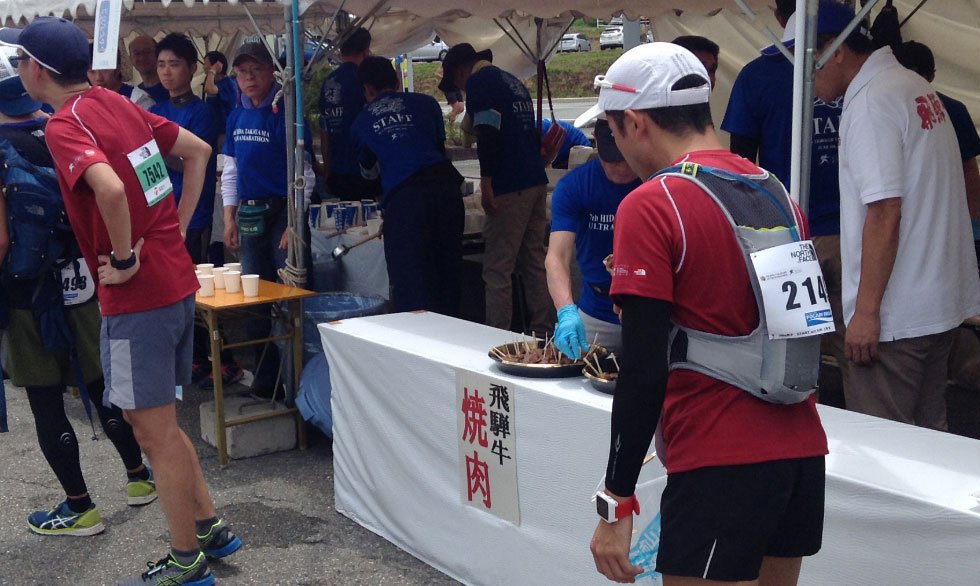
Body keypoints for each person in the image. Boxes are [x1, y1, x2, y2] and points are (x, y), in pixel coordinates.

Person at [3, 17, 241, 585]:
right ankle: (208, 526)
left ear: (38, 69)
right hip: (174, 281)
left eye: (20, 62)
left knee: (150, 429)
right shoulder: (115, 101)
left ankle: (187, 561)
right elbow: (199, 151)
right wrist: (173, 230)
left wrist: (127, 256)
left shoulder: (67, 124)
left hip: (137, 297)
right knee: (162, 420)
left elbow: (108, 187)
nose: (18, 71)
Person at [585, 42, 828, 586]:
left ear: (636, 122)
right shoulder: (778, 195)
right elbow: (804, 329)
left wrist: (615, 500)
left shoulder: (651, 204)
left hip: (719, 455)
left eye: (614, 132)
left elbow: (643, 368)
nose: (618, 149)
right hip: (802, 454)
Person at [0, 56, 157, 537]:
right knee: (97, 382)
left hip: (27, 290)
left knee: (45, 398)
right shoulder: (59, 130)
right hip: (83, 276)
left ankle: (79, 507)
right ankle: (137, 478)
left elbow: (2, 241)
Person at [812, 4, 980, 430]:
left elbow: (885, 210)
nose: (807, 79)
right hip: (936, 304)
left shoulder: (871, 102)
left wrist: (865, 312)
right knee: (929, 439)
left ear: (835, 50)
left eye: (809, 61)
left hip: (896, 319)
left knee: (885, 451)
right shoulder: (913, 87)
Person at [721, 0, 848, 389]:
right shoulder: (853, 70)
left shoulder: (756, 77)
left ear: (779, 18)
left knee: (794, 354)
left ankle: (805, 422)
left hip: (794, 233)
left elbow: (741, 164)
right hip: (832, 233)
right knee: (852, 351)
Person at [221, 42, 314, 397]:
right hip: (249, 213)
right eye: (242, 72)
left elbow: (305, 174)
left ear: (271, 73)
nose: (249, 78)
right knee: (254, 297)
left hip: (283, 214)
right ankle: (264, 380)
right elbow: (230, 171)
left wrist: (295, 223)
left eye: (256, 70)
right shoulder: (236, 115)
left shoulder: (286, 113)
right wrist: (229, 218)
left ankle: (296, 382)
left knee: (289, 297)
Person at [440, 43, 553, 334]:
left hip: (509, 182)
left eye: (457, 83)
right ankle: (544, 332)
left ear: (462, 70)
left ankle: (497, 337)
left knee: (497, 269)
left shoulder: (480, 82)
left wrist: (487, 182)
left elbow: (488, 132)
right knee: (534, 263)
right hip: (535, 181)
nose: (462, 90)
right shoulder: (511, 80)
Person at [150, 33, 241, 389]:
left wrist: (167, 157)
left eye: (174, 64)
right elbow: (158, 163)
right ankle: (192, 358)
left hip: (198, 215)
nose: (167, 72)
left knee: (201, 292)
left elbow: (192, 161)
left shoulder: (203, 112)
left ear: (191, 69)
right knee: (174, 292)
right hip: (162, 215)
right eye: (161, 65)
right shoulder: (156, 112)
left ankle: (224, 359)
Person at [351, 56, 464, 315]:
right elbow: (439, 149)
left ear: (367, 89)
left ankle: (418, 348)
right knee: (448, 275)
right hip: (446, 190)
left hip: (406, 199)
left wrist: (391, 211)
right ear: (397, 80)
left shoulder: (362, 121)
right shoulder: (427, 104)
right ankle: (453, 344)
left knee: (411, 283)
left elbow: (369, 173)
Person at [545, 119, 639, 357]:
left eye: (624, 157)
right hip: (596, 310)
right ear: (596, 143)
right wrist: (566, 310)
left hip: (651, 308)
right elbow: (557, 256)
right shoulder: (575, 186)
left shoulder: (656, 180)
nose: (619, 166)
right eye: (610, 157)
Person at [893, 40, 980, 264]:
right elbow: (970, 170)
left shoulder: (881, 108)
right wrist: (974, 225)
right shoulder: (954, 108)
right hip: (947, 219)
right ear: (932, 74)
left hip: (901, 223)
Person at [318, 27, 379, 201]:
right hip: (365, 170)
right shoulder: (366, 80)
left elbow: (325, 134)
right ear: (366, 51)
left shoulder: (328, 82)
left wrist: (328, 172)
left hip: (337, 169)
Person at [87, 46, 155, 110]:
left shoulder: (138, 99)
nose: (98, 78)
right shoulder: (85, 101)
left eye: (104, 70)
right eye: (92, 72)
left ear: (118, 69)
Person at [202, 50, 238, 133]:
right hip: (212, 130)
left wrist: (212, 71)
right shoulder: (215, 83)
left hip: (223, 131)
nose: (204, 67)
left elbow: (209, 89)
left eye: (206, 64)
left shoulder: (228, 84)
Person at [129, 34, 169, 104]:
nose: (142, 57)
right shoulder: (135, 92)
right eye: (137, 53)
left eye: (147, 52)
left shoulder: (170, 89)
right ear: (130, 59)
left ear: (158, 55)